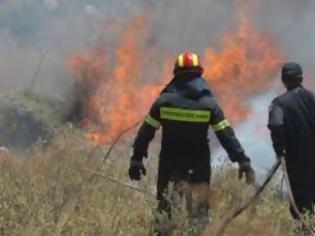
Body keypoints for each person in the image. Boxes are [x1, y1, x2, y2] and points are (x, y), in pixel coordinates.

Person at [128, 52, 255, 223]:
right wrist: (243, 161)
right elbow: (226, 136)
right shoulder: (208, 104)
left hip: (170, 163)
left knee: (165, 211)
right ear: (199, 74)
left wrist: (137, 159)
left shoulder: (164, 102)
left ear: (176, 74)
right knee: (199, 214)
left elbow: (146, 132)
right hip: (199, 165)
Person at [268, 62, 315, 219]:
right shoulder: (312, 98)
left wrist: (279, 150)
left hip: (297, 163)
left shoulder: (279, 103)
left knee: (301, 204)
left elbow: (276, 125)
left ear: (283, 80)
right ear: (301, 78)